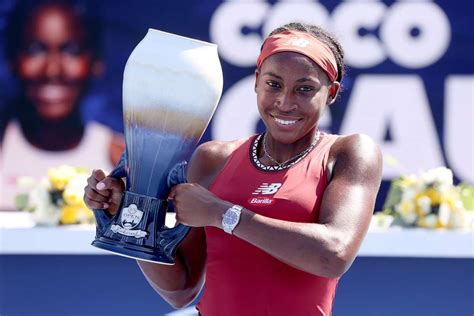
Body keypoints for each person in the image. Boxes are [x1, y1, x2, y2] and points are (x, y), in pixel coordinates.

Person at [84, 22, 383, 315]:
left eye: (304, 89)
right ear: (256, 81)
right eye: (273, 84)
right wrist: (131, 214)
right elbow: (181, 290)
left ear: (331, 93)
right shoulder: (213, 159)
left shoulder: (349, 152)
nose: (285, 102)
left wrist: (222, 214)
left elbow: (333, 255)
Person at [0, 0, 124, 209]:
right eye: (35, 49)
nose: (52, 70)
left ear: (95, 62)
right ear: (12, 60)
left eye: (71, 50)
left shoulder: (119, 158)